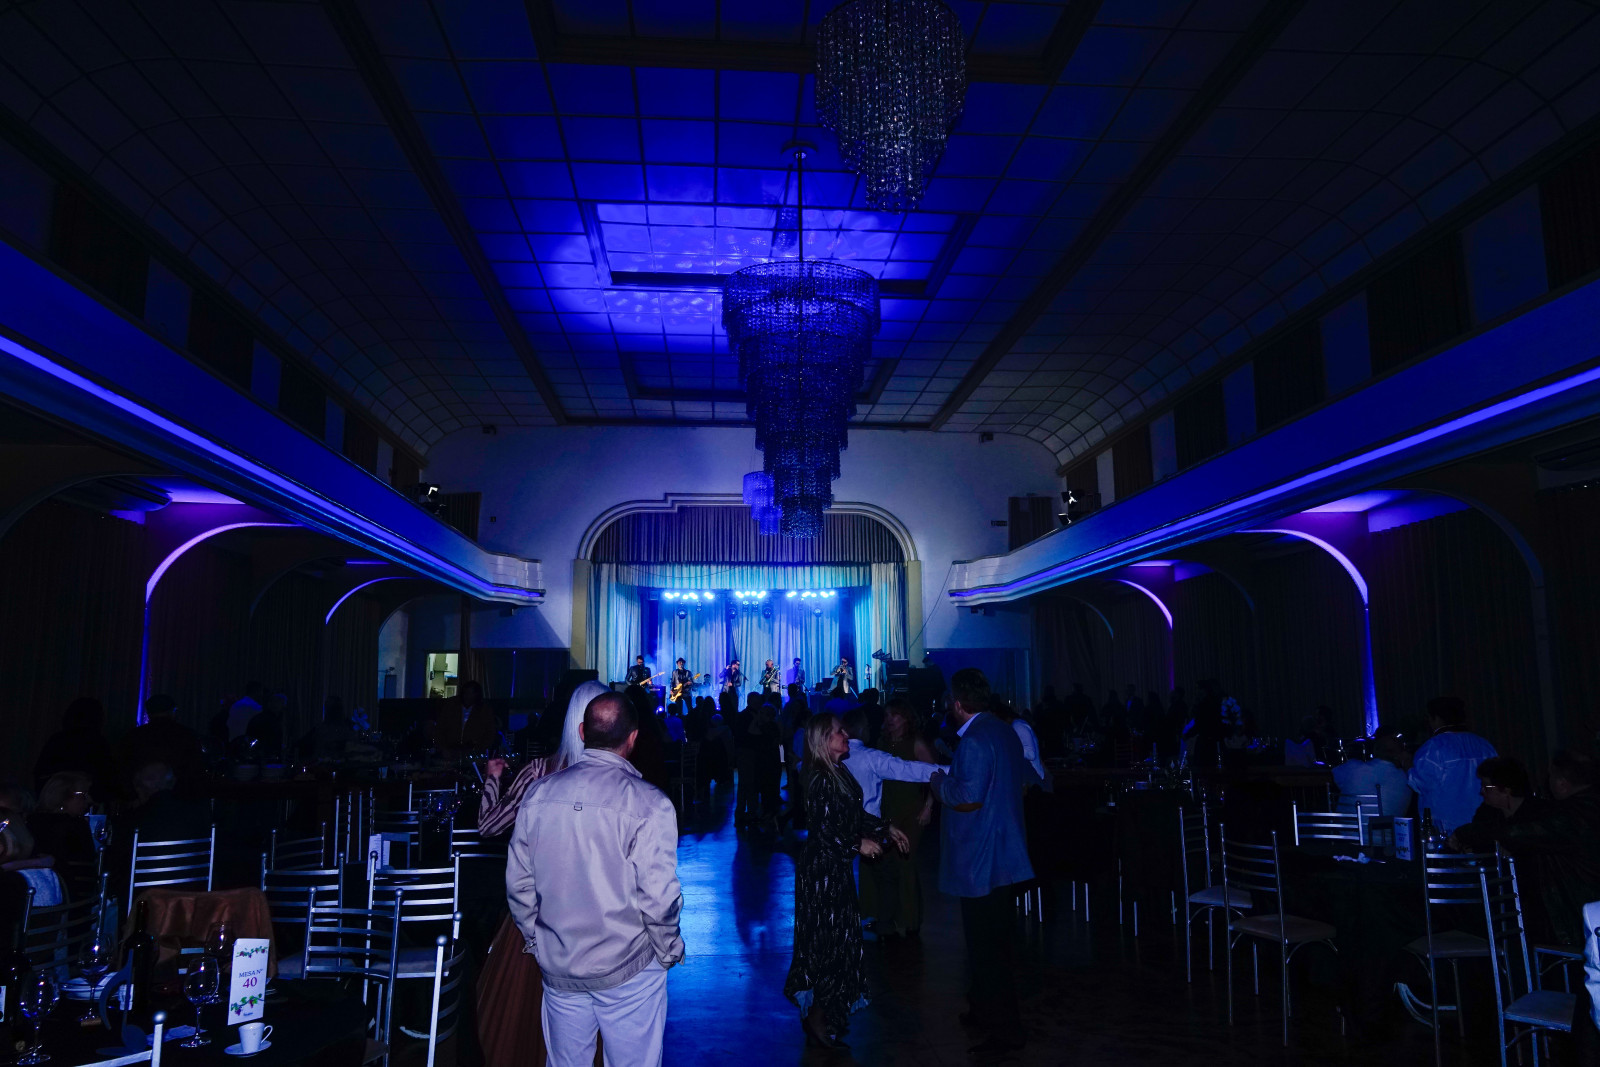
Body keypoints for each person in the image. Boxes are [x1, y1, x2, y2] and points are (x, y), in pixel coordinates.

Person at [507, 691, 684, 1067]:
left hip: (560, 965)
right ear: (633, 738)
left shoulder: (538, 795)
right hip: (628, 967)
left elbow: (520, 884)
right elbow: (658, 897)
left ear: (582, 732)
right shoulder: (650, 804)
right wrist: (668, 949)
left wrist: (538, 942)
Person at [928, 668, 1038, 1056]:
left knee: (986, 950)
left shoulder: (975, 740)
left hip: (982, 858)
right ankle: (980, 1007)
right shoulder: (1003, 731)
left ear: (957, 704)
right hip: (1003, 851)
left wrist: (938, 783)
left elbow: (968, 797)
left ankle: (1006, 1032)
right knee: (991, 943)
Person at [783, 713, 908, 1049]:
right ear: (824, 741)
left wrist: (884, 827)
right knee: (829, 944)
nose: (846, 735)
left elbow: (854, 815)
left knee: (841, 941)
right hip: (821, 873)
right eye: (839, 732)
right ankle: (818, 1017)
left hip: (834, 868)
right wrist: (857, 843)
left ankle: (826, 1014)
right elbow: (823, 829)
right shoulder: (820, 778)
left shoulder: (839, 771)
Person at [1455, 751, 1600, 949]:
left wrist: (1468, 834)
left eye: (1551, 777)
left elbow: (1521, 835)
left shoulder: (1567, 815)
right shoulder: (1583, 808)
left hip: (1578, 913)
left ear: (1562, 783)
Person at [856, 699, 938, 938]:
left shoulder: (916, 743)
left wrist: (928, 807)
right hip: (887, 809)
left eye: (896, 715)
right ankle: (886, 917)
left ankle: (910, 920)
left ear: (906, 719)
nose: (890, 720)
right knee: (883, 863)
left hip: (911, 809)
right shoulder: (882, 743)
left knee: (906, 862)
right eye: (888, 715)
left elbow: (934, 775)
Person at [1407, 696, 1498, 834]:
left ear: (1436, 718)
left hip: (1447, 830)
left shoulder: (1432, 748)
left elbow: (1419, 784)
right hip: (1484, 827)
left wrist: (1407, 766)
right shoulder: (1485, 745)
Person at [32, 697, 118, 800]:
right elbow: (107, 777)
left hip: (56, 798)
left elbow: (41, 773)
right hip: (83, 800)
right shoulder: (98, 743)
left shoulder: (57, 740)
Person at [125, 694, 205, 794]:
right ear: (172, 711)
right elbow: (195, 768)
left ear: (148, 713)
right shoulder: (187, 735)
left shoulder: (134, 735)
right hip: (178, 794)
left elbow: (125, 767)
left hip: (141, 794)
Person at [1331, 730, 1413, 816]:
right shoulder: (1408, 779)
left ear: (1374, 751)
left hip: (1346, 824)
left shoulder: (1352, 767)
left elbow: (1331, 777)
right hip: (1388, 825)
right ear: (1402, 754)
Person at [429, 679, 498, 755]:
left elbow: (490, 732)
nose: (466, 696)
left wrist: (480, 749)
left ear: (476, 695)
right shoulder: (450, 706)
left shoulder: (484, 710)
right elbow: (440, 728)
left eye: (470, 693)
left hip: (473, 751)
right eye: (465, 693)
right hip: (450, 749)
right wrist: (443, 748)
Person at [245, 691, 288, 759]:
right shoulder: (271, 720)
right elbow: (272, 741)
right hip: (264, 756)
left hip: (256, 754)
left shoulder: (260, 717)